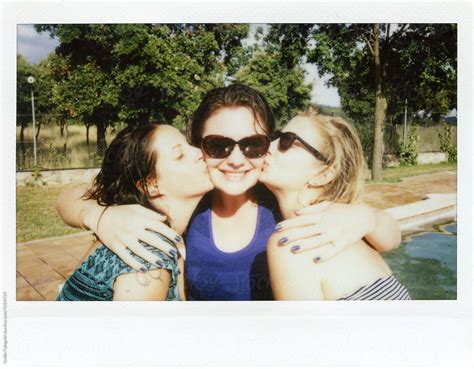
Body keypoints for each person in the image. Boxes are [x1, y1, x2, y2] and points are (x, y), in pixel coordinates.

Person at [56, 84, 401, 301]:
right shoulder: (185, 204)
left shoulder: (287, 203)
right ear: (199, 147)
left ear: (268, 147)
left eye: (252, 145)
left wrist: (367, 216)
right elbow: (71, 197)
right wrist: (100, 215)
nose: (236, 160)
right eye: (219, 145)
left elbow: (389, 238)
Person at [260, 109, 410, 300]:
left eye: (287, 141)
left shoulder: (295, 243)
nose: (269, 146)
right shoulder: (356, 232)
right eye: (275, 137)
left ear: (324, 174)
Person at [57, 123, 213, 301]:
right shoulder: (146, 260)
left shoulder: (129, 225)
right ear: (151, 185)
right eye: (179, 155)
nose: (199, 152)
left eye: (188, 144)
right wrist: (98, 216)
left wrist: (100, 215)